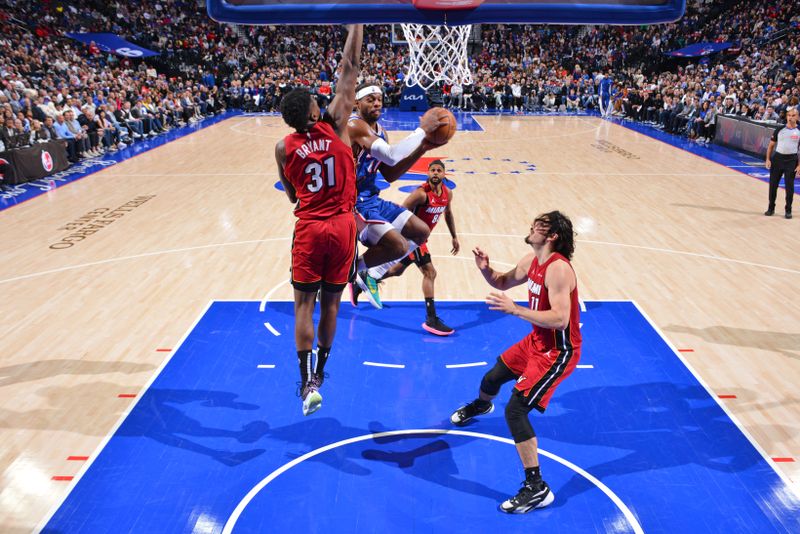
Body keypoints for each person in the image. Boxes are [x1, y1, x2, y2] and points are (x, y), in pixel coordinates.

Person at [449, 211, 581, 514]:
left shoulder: (559, 269)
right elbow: (503, 281)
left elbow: (561, 320)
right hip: (536, 341)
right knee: (492, 377)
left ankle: (537, 487)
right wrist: (485, 270)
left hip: (557, 352)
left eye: (540, 225)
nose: (532, 227)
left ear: (552, 236)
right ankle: (482, 405)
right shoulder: (531, 259)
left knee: (515, 410)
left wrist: (515, 311)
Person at [274, 24, 363, 416]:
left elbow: (292, 193)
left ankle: (305, 381)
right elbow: (350, 69)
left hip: (310, 227)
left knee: (301, 307)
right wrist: (357, 22)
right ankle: (322, 374)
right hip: (343, 227)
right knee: (331, 307)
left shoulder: (283, 147)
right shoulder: (336, 123)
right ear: (313, 111)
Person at [346, 82, 448, 309]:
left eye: (379, 98)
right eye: (370, 99)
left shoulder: (381, 131)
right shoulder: (355, 125)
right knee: (399, 246)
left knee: (421, 232)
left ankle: (364, 272)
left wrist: (423, 149)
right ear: (357, 103)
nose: (376, 103)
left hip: (372, 198)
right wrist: (423, 130)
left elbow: (390, 173)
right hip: (353, 203)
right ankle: (351, 272)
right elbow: (392, 156)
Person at [353, 159, 459, 335]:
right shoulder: (420, 194)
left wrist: (454, 236)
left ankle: (363, 279)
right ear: (427, 173)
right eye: (432, 170)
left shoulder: (447, 194)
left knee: (397, 270)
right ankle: (431, 319)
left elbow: (448, 214)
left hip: (419, 240)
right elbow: (401, 213)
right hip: (414, 239)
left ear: (444, 174)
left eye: (439, 170)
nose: (435, 173)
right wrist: (393, 239)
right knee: (430, 273)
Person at [764, 106, 798, 219]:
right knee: (773, 185)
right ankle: (771, 208)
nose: (790, 118)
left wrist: (799, 165)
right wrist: (768, 159)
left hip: (791, 160)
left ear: (797, 117)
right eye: (789, 115)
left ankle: (788, 210)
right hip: (777, 159)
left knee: (789, 187)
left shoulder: (799, 131)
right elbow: (771, 146)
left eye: (793, 116)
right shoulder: (779, 129)